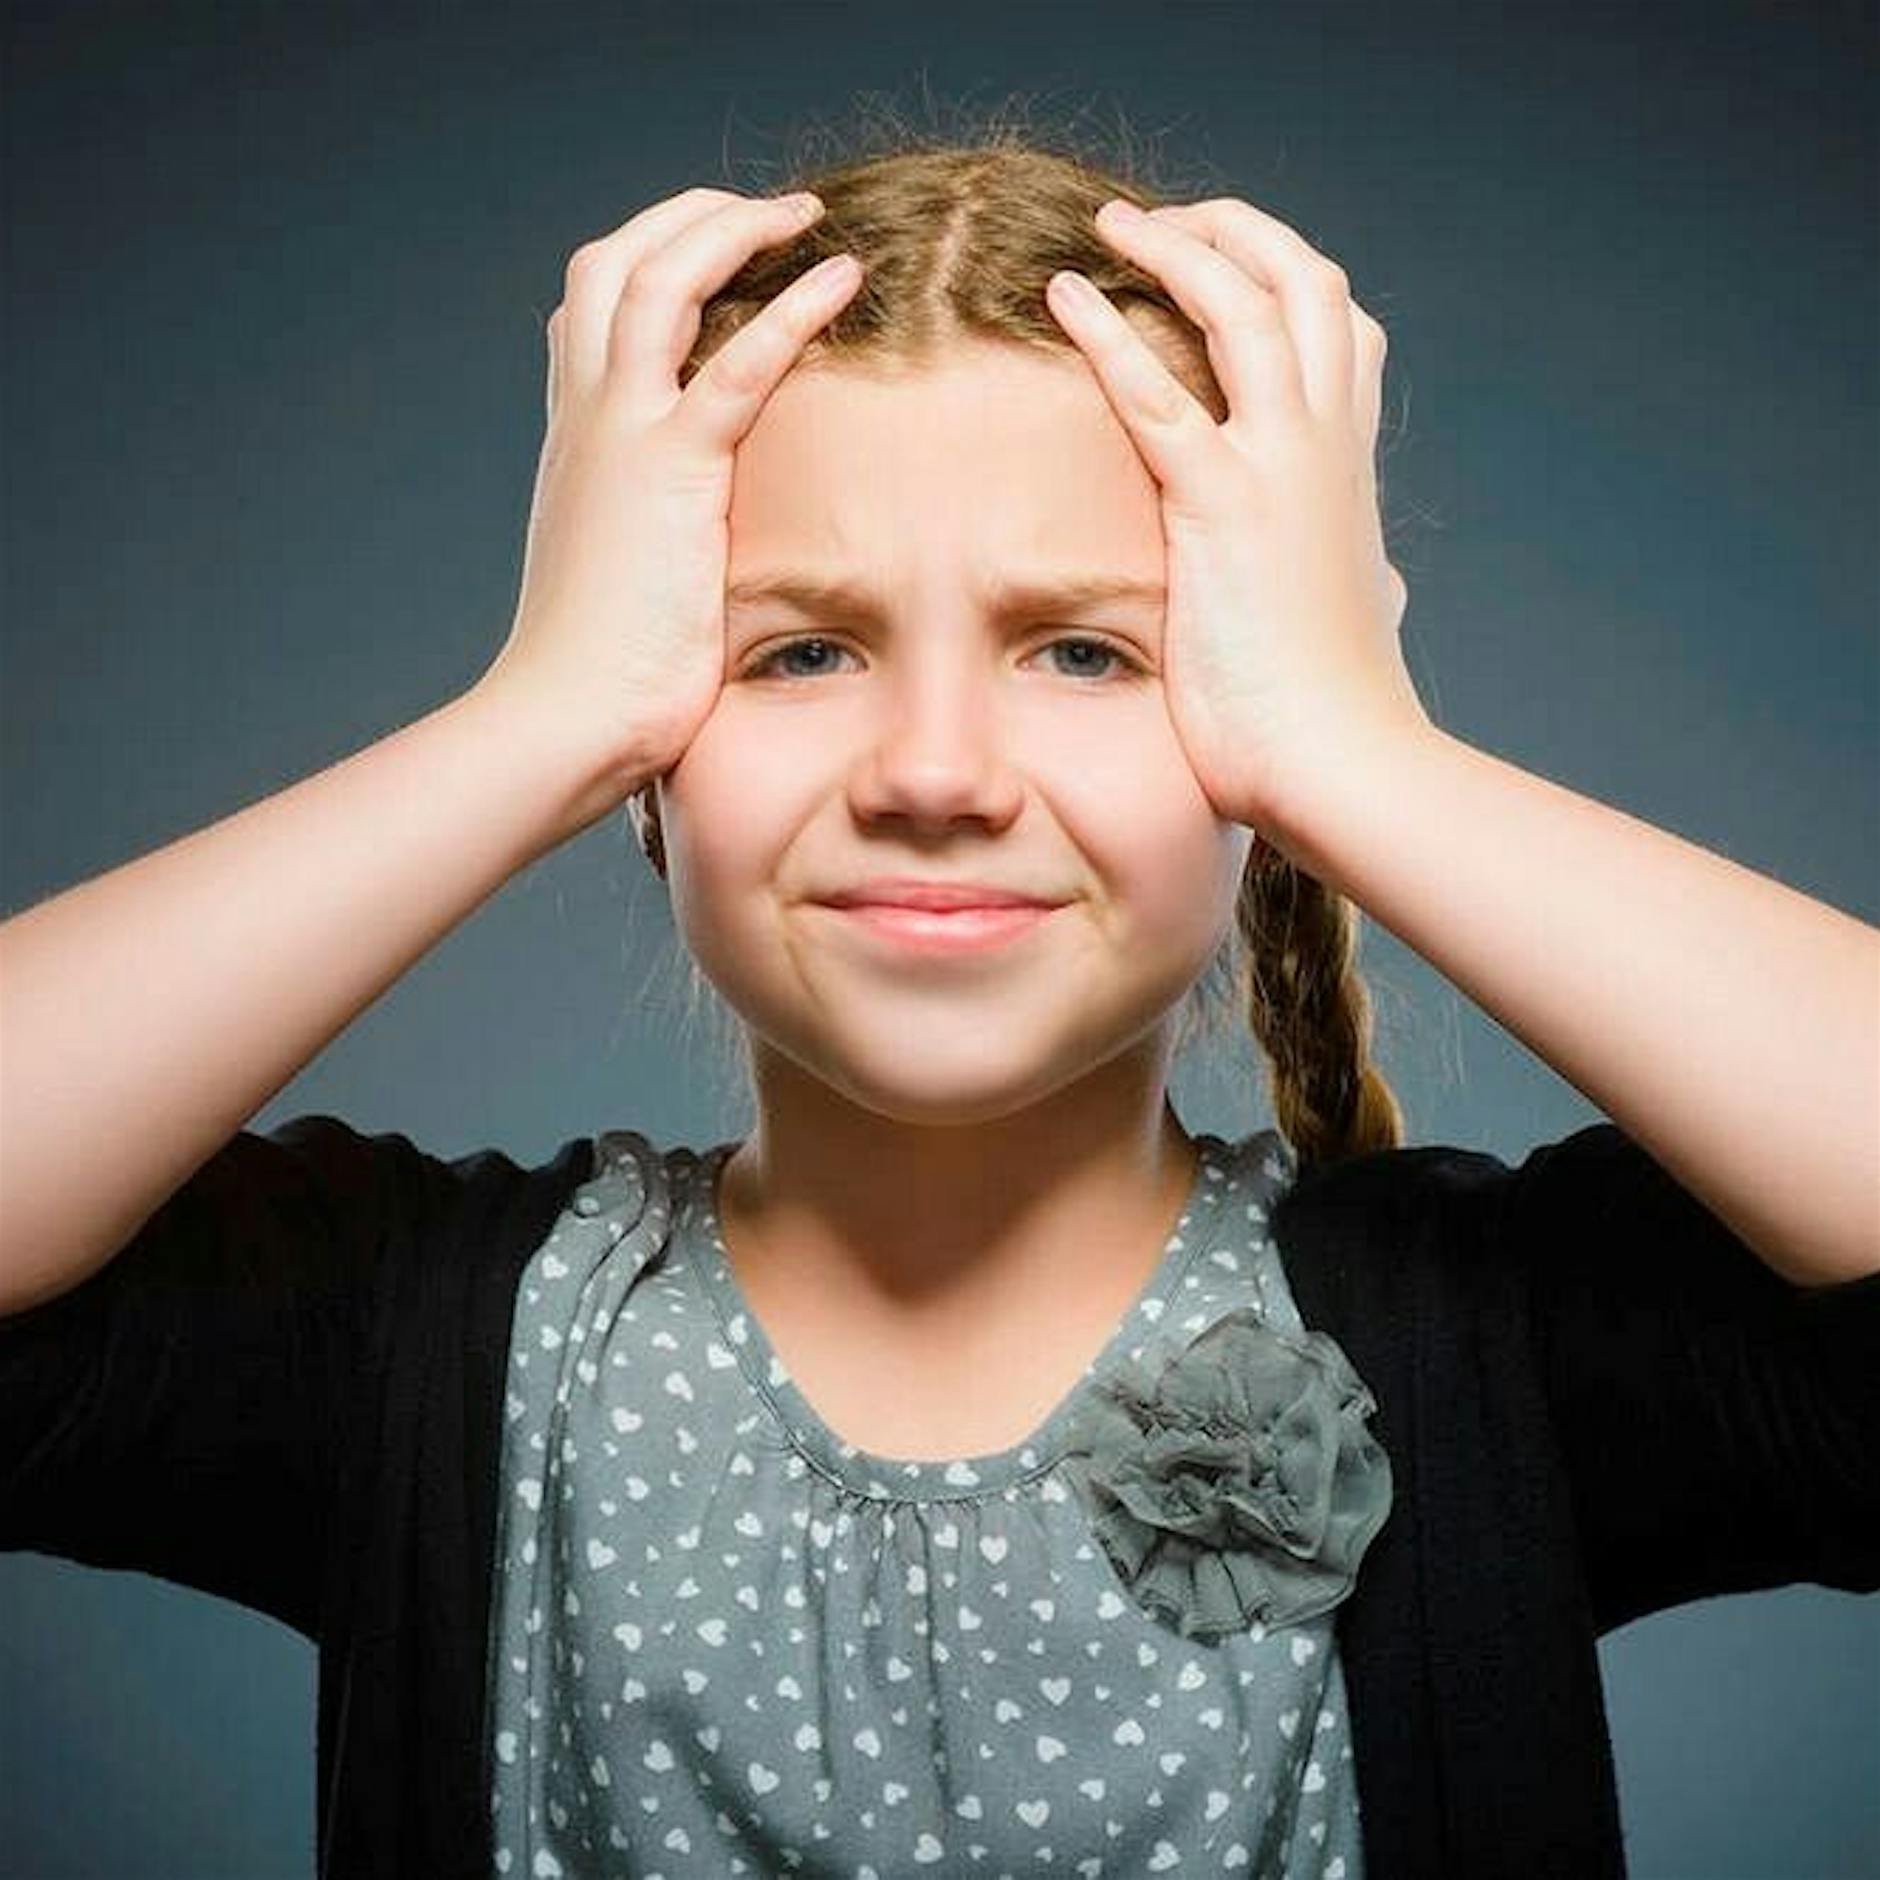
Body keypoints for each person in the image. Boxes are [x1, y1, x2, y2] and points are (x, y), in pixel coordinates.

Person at [2, 131, 1876, 1880]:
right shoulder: (433, 1335)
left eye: (1086, 649)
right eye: (800, 648)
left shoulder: (1495, 1348)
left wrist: (1362, 751)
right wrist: (533, 714)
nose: (934, 768)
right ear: (651, 749)